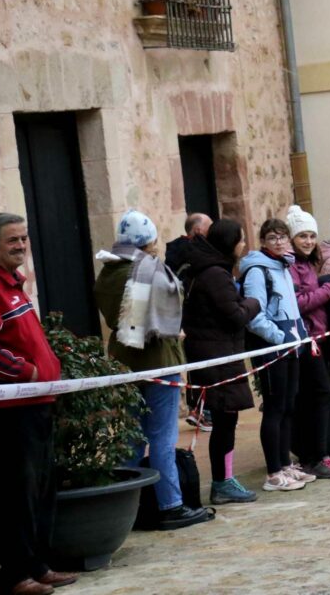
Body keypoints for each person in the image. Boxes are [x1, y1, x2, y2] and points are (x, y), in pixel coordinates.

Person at [94, 209, 213, 530]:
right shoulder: (145, 269)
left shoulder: (108, 272)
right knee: (162, 435)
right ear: (150, 241)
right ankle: (170, 504)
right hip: (158, 360)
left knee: (131, 437)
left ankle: (125, 508)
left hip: (125, 361)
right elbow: (166, 307)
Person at [0, 213, 77, 595]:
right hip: (11, 410)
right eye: (12, 240)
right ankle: (16, 573)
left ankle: (38, 565)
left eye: (23, 238)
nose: (21, 245)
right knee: (17, 491)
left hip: (36, 404)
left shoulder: (13, 284)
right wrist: (27, 373)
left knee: (40, 488)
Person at [181, 218, 263, 505]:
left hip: (218, 353)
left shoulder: (209, 270)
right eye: (241, 239)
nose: (243, 245)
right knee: (225, 419)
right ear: (230, 243)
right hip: (218, 357)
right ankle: (222, 482)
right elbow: (236, 315)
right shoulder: (215, 274)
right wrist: (255, 301)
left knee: (227, 419)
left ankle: (225, 479)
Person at [239, 219, 317, 493]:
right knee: (274, 408)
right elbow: (255, 315)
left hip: (292, 344)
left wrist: (300, 334)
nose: (279, 242)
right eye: (272, 238)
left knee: (288, 406)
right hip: (273, 348)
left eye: (283, 237)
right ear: (263, 241)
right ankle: (273, 471)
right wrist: (280, 338)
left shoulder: (284, 266)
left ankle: (285, 464)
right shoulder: (258, 270)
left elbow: (291, 306)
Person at [286, 205, 330, 479]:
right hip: (304, 339)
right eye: (302, 236)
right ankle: (316, 455)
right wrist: (326, 292)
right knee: (319, 396)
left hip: (315, 338)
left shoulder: (308, 264)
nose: (309, 241)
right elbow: (296, 304)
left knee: (314, 397)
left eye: (312, 235)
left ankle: (313, 454)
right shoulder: (291, 267)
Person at [165, 212, 214, 430]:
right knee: (203, 363)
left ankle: (200, 409)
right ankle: (202, 411)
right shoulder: (190, 254)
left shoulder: (178, 252)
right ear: (197, 231)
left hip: (188, 316)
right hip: (191, 315)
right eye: (209, 228)